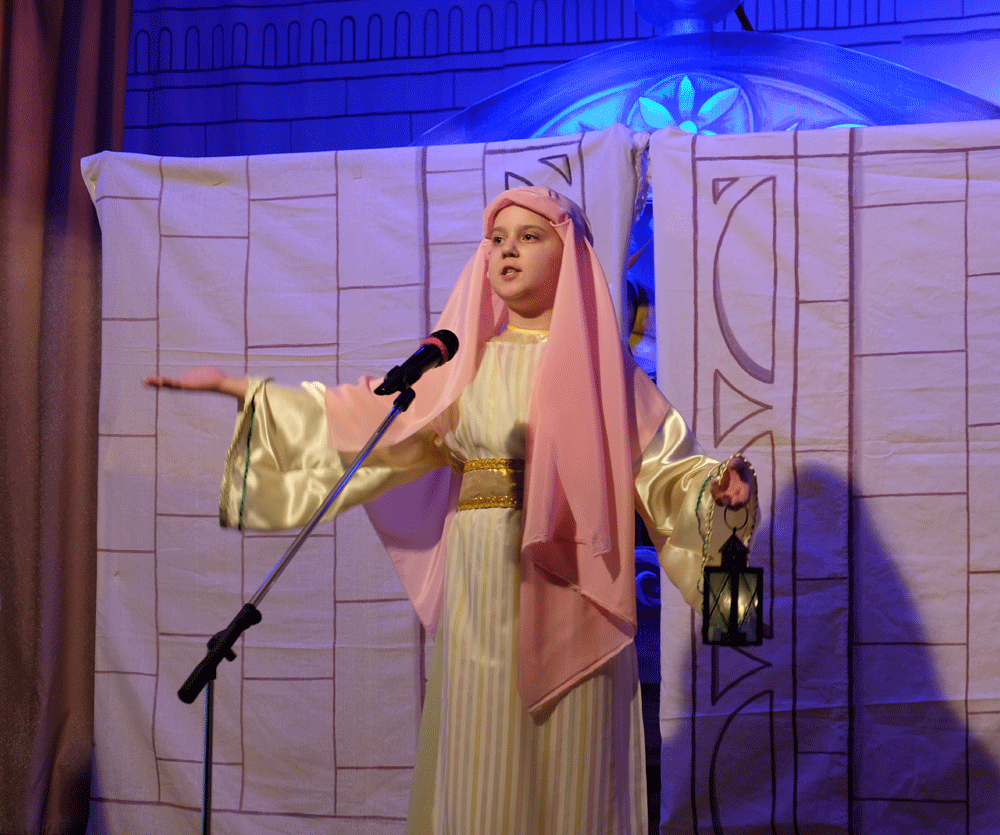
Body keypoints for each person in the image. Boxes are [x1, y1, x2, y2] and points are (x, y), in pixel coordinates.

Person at [146, 186, 753, 834]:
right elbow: (364, 421)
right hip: (481, 585)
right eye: (497, 239)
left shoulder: (610, 378)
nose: (507, 251)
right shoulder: (463, 366)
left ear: (569, 255)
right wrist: (244, 390)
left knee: (569, 756)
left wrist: (722, 494)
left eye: (529, 237)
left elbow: (671, 475)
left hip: (573, 590)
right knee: (480, 744)